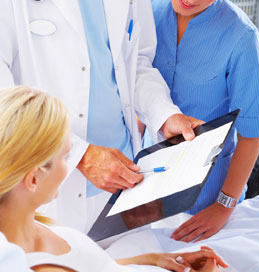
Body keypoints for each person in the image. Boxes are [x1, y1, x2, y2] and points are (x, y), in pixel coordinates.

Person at [0, 0, 203, 232]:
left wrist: (164, 114)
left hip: (124, 175)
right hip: (49, 183)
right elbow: (4, 100)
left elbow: (138, 63)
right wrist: (79, 154)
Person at [0, 86, 227, 272]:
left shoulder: (28, 226)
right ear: (33, 180)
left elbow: (90, 267)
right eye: (66, 156)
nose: (70, 164)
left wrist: (155, 259)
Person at [147, 0, 259, 242]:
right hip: (145, 186)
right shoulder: (145, 8)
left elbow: (252, 134)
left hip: (205, 197)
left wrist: (224, 206)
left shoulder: (240, 38)